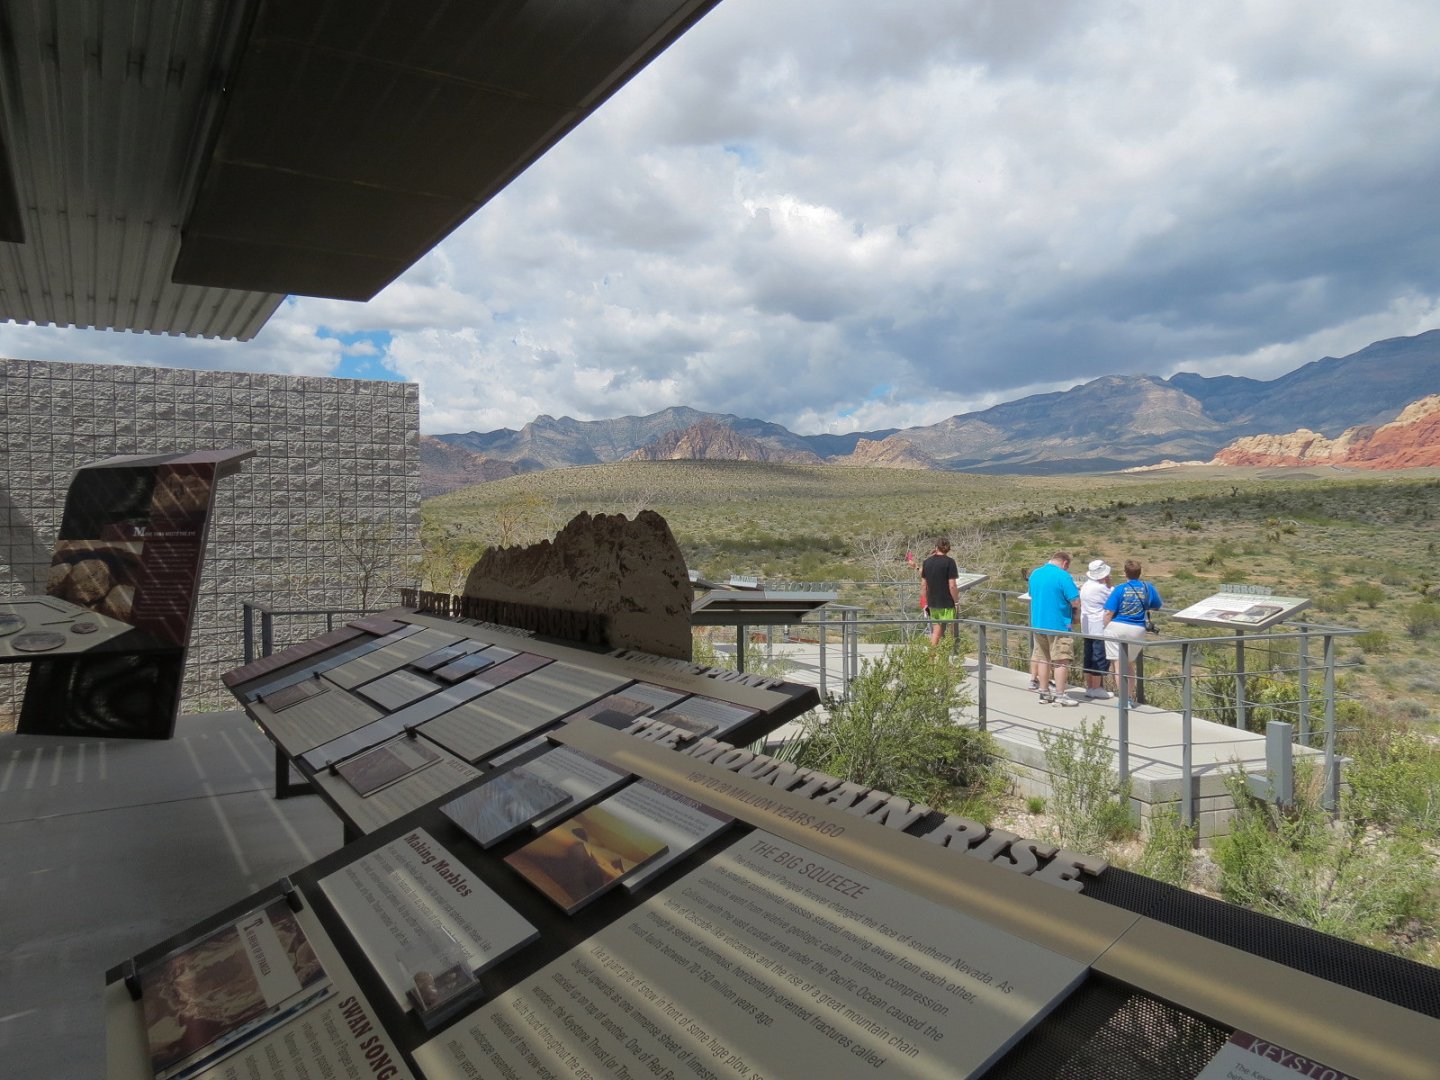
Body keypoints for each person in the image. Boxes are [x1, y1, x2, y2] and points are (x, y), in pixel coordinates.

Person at [1103, 559, 1163, 705]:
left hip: (1117, 627)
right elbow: (1157, 604)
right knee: (1130, 664)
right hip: (1137, 628)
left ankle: (1122, 699)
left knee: (1118, 664)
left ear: (1125, 573)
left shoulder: (1120, 589)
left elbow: (1109, 612)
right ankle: (1129, 697)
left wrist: (1106, 627)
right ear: (1139, 572)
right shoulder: (1147, 587)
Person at [1028, 551, 1079, 705]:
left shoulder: (1035, 574)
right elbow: (1075, 600)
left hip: (1038, 623)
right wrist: (1075, 615)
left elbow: (1032, 594)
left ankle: (1044, 692)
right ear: (1065, 563)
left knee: (1043, 658)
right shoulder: (1063, 576)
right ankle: (1060, 695)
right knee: (1061, 660)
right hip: (1058, 625)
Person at [1079, 560, 1113, 699]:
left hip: (1087, 626)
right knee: (1099, 657)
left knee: (1089, 655)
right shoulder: (1101, 588)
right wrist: (1109, 583)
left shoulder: (1086, 586)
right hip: (1098, 626)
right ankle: (1096, 687)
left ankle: (1090, 686)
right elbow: (1113, 597)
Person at [919, 537, 960, 645]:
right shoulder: (950, 562)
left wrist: (925, 602)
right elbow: (952, 586)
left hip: (932, 603)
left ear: (936, 547)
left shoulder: (926, 562)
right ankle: (940, 657)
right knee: (949, 633)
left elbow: (923, 585)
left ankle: (934, 657)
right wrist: (956, 602)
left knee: (936, 631)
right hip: (947, 603)